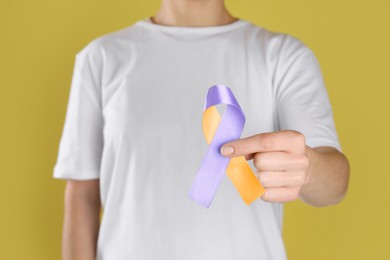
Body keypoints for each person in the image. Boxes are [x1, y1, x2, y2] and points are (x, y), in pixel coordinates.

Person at [53, 0, 350, 259]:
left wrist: (308, 169)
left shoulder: (284, 56)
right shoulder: (100, 58)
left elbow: (334, 184)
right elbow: (83, 194)